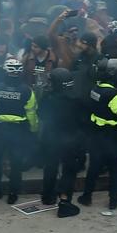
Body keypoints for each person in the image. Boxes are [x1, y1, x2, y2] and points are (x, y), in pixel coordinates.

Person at [78, 58, 117, 210]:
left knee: (94, 167)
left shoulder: (94, 90)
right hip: (112, 136)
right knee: (115, 169)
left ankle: (86, 196)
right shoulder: (113, 95)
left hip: (97, 134)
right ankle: (113, 200)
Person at [38, 67, 82, 217]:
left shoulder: (47, 98)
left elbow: (41, 115)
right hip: (70, 140)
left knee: (50, 167)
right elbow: (81, 120)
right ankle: (64, 202)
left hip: (50, 138)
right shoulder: (75, 99)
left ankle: (47, 196)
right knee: (68, 171)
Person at [0, 58, 38, 205]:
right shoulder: (27, 90)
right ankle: (13, 193)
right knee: (16, 163)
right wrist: (34, 129)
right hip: (18, 130)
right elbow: (31, 113)